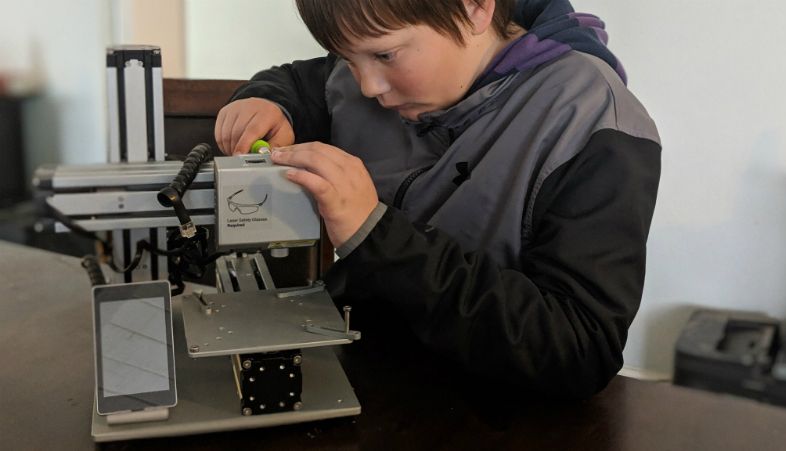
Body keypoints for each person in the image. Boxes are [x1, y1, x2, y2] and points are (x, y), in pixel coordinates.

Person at [214, 0, 661, 399]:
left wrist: (376, 236)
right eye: (349, 57)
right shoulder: (364, 70)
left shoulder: (593, 120)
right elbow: (302, 81)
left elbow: (579, 351)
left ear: (475, 9)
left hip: (493, 414)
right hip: (359, 377)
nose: (368, 86)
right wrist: (267, 101)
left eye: (384, 54)